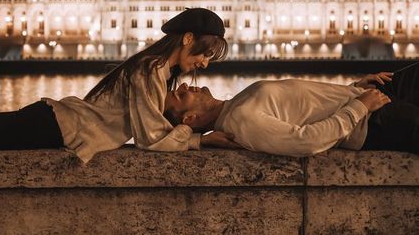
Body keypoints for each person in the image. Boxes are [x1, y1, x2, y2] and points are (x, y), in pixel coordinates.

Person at [0, 8, 237, 161]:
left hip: (57, 122)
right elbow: (151, 138)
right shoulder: (151, 69)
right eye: (206, 54)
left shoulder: (158, 71)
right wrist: (200, 139)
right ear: (188, 39)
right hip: (58, 124)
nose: (204, 63)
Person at [164, 68, 419, 156]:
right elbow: (306, 141)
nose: (185, 85)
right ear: (190, 118)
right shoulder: (240, 121)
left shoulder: (233, 105)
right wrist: (360, 106)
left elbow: (304, 107)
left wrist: (353, 88)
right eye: (180, 95)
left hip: (367, 95)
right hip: (374, 121)